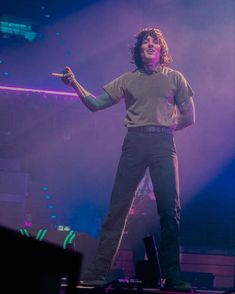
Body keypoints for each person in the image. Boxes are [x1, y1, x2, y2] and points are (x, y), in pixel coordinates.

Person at [52, 27, 195, 291]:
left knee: (169, 211)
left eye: (154, 42)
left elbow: (189, 116)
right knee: (117, 210)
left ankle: (172, 277)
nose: (149, 45)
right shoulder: (127, 79)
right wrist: (74, 84)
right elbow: (95, 104)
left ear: (161, 49)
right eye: (144, 43)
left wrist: (166, 124)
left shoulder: (175, 78)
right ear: (139, 52)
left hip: (163, 144)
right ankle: (97, 274)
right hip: (135, 143)